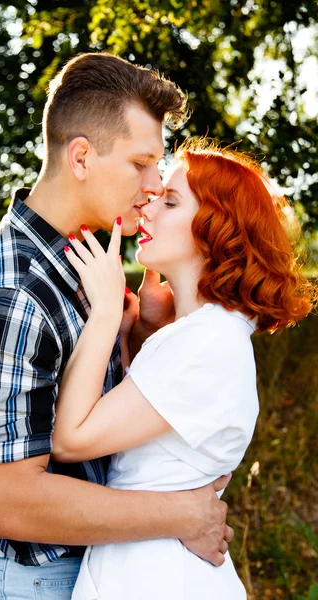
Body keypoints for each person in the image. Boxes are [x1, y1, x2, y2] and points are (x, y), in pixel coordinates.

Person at [0, 54, 233, 600]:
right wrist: (182, 514)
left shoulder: (80, 261)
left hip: (81, 575)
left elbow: (96, 433)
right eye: (141, 163)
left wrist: (137, 335)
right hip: (28, 584)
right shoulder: (16, 294)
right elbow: (11, 503)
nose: (152, 186)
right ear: (80, 157)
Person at [51, 141, 315, 599]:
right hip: (151, 563)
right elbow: (149, 416)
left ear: (214, 229)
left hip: (156, 575)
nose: (148, 209)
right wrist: (144, 332)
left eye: (170, 201)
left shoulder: (206, 342)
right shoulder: (204, 335)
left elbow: (71, 438)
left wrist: (107, 311)